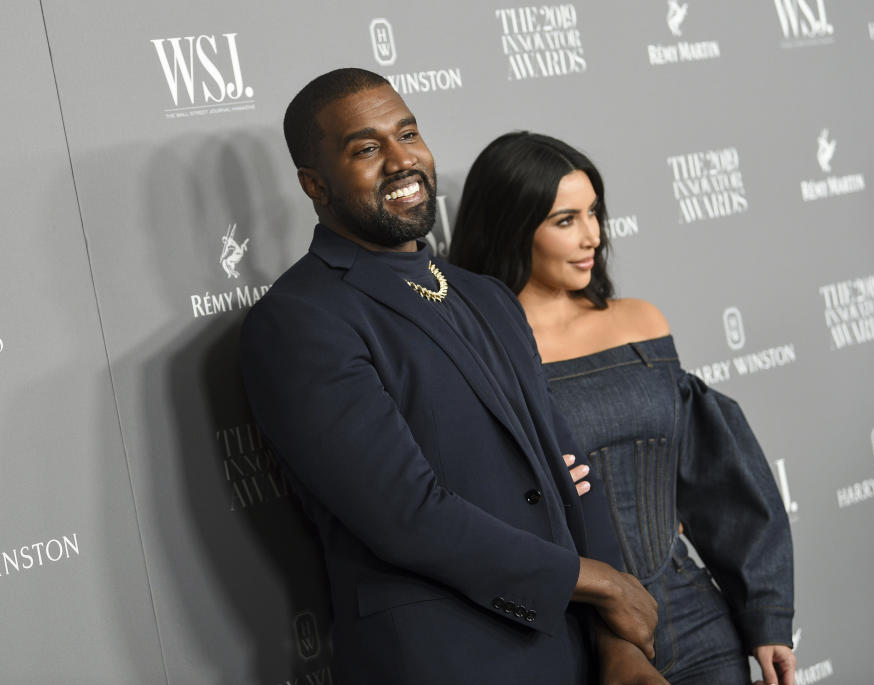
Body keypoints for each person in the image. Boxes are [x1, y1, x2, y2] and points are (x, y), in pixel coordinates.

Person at [241, 69, 665, 685]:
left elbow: (569, 470)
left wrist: (615, 640)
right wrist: (602, 584)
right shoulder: (302, 318)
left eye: (407, 133)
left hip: (574, 652)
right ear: (315, 185)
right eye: (366, 148)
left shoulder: (486, 295)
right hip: (446, 660)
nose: (400, 160)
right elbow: (407, 517)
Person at [449, 131, 797, 685]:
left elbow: (719, 479)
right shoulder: (478, 352)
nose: (592, 236)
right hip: (568, 639)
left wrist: (767, 614)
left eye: (594, 213)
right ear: (512, 227)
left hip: (694, 617)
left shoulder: (640, 322)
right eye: (565, 220)